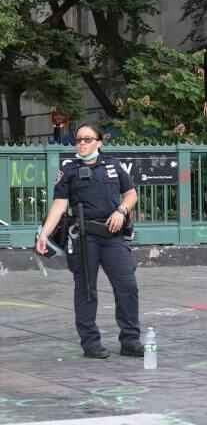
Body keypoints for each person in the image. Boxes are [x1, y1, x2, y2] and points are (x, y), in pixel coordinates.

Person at [35, 124, 143, 359]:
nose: (82, 143)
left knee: (127, 286)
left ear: (99, 142)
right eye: (78, 140)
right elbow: (59, 205)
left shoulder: (113, 165)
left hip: (113, 233)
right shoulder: (69, 170)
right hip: (84, 237)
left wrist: (121, 211)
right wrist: (44, 234)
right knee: (86, 290)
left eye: (87, 139)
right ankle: (91, 343)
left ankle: (130, 340)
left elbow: (131, 194)